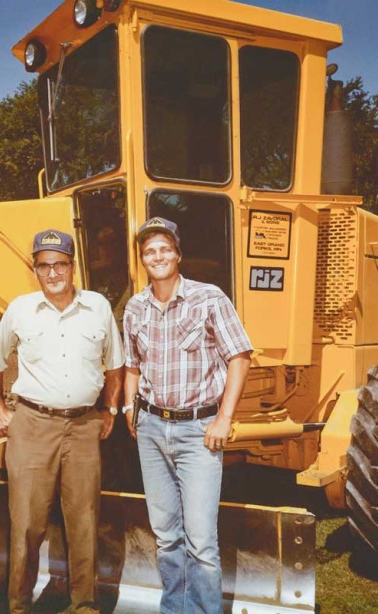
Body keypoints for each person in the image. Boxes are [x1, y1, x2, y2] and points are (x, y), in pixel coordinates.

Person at [0, 229, 124, 614]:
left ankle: (84, 604)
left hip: (83, 427)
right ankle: (18, 605)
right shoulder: (20, 309)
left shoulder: (98, 307)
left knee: (83, 520)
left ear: (72, 266)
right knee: (27, 523)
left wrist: (109, 409)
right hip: (32, 425)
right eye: (44, 266)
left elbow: (116, 365)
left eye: (60, 264)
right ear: (35, 270)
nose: (53, 273)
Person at [122, 217, 252, 614]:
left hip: (199, 432)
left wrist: (224, 419)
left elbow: (240, 357)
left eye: (164, 248)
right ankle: (173, 609)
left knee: (201, 542)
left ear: (177, 254)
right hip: (151, 428)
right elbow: (131, 364)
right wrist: (130, 408)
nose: (157, 256)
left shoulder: (209, 298)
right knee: (166, 536)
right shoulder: (135, 307)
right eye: (149, 251)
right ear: (142, 259)